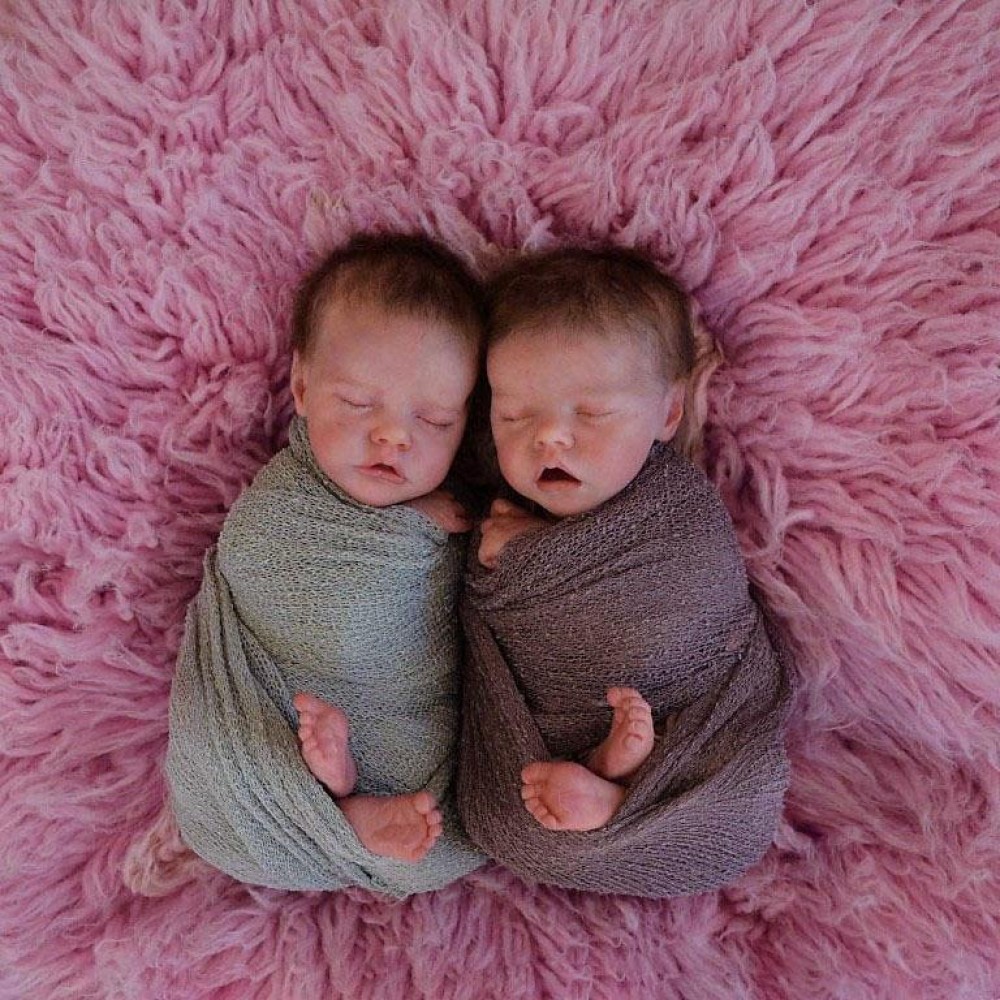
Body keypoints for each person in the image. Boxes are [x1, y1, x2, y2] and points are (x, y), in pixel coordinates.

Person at [457, 246, 794, 898]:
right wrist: (512, 564)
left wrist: (532, 555)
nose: (549, 438)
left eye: (591, 414)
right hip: (549, 730)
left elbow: (697, 595)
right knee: (504, 812)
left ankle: (628, 791)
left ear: (667, 413)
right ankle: (603, 773)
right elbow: (475, 620)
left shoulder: (679, 507)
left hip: (697, 714)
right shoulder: (495, 507)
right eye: (514, 414)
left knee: (748, 789)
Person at [161, 233, 487, 897]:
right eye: (360, 403)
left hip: (404, 725)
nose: (394, 435)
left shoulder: (462, 512)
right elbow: (256, 564)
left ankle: (348, 803)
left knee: (459, 831)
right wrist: (409, 527)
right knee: (220, 749)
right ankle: (336, 805)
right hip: (272, 708)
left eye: (434, 420)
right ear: (303, 388)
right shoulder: (284, 503)